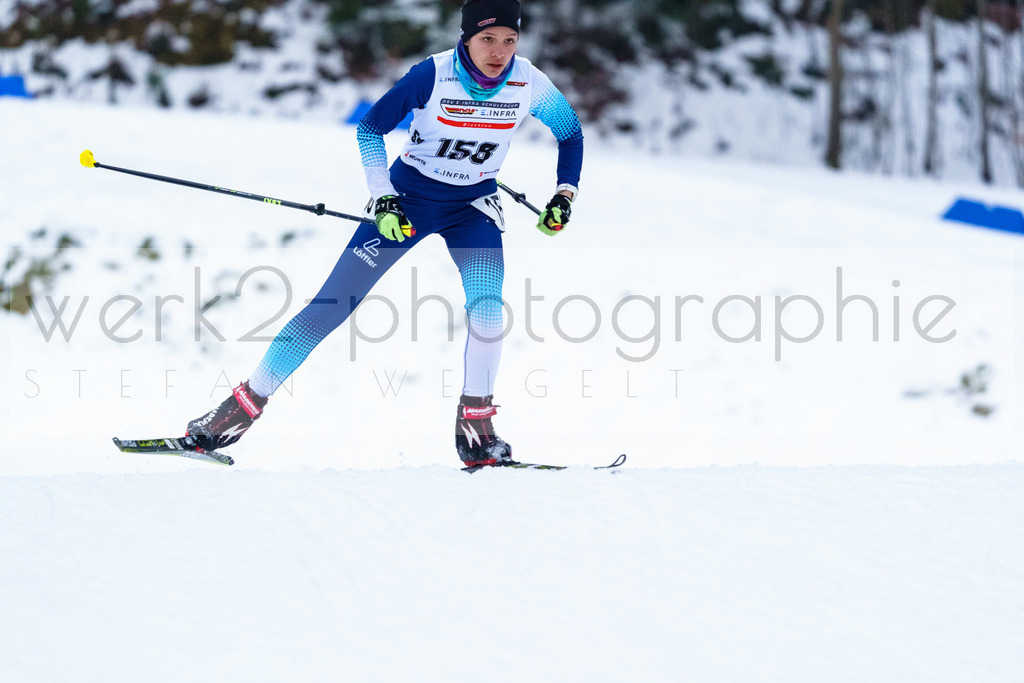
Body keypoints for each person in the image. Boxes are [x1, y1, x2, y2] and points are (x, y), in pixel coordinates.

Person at [185, 0, 584, 467]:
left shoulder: (529, 82)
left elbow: (571, 133)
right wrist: (383, 197)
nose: (499, 52)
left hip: (471, 208)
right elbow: (371, 129)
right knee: (330, 307)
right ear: (467, 38)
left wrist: (564, 194)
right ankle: (231, 417)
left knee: (488, 310)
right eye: (488, 40)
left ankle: (476, 430)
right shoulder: (433, 75)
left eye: (510, 41)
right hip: (408, 202)